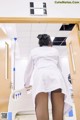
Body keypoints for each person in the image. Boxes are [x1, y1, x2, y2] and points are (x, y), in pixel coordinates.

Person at [24, 34, 72, 120]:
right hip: (56, 77)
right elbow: (60, 68)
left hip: (40, 78)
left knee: (42, 113)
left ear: (39, 43)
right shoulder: (55, 50)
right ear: (50, 42)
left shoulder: (34, 51)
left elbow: (28, 70)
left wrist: (26, 84)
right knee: (58, 115)